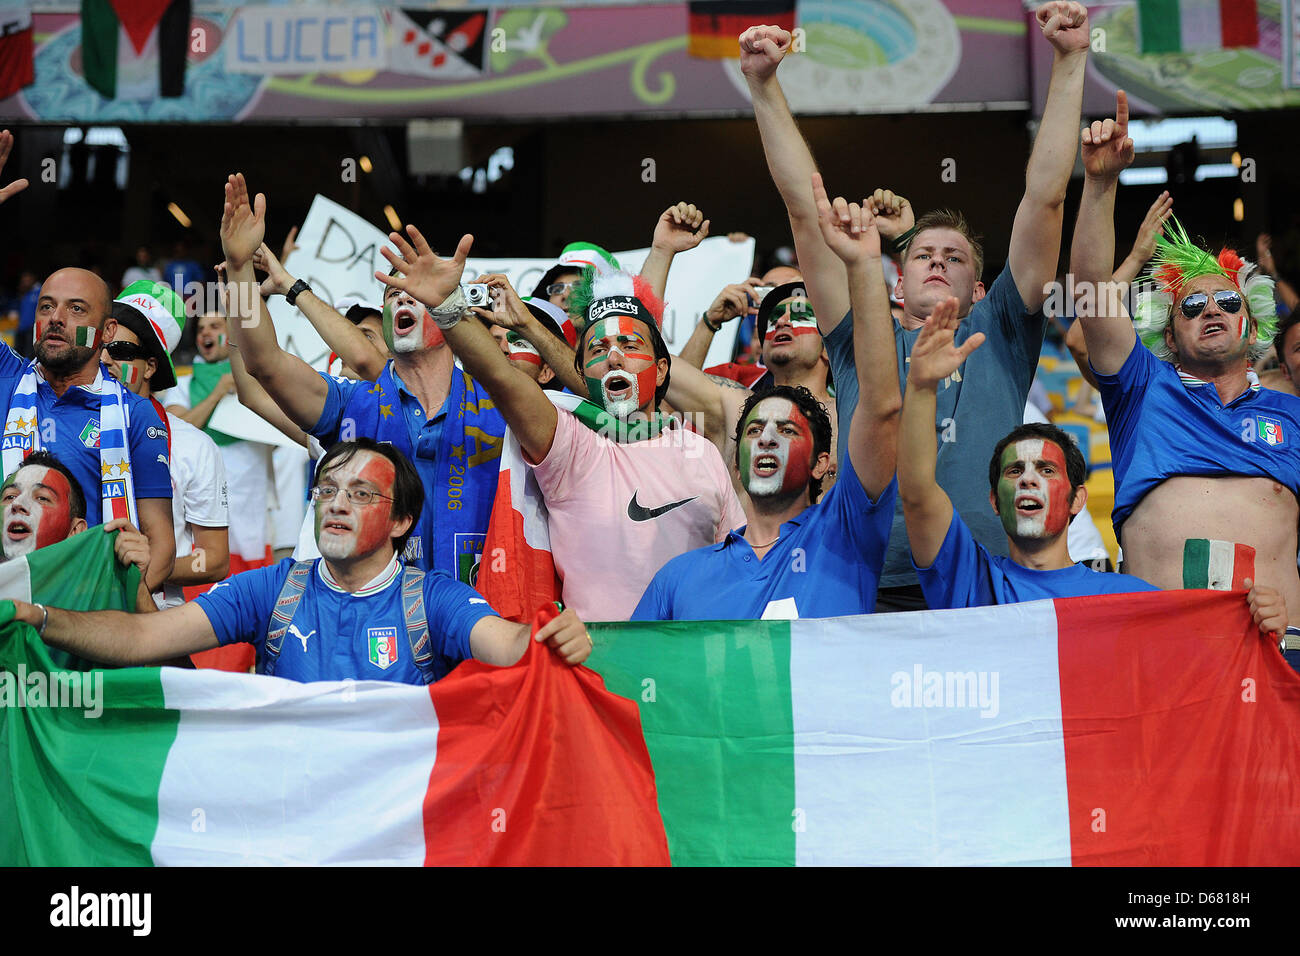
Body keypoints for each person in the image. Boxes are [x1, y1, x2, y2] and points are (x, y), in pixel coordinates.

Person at [739, 4, 1092, 611]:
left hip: (980, 584)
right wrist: (764, 84)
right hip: (859, 586)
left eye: (954, 258)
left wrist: (1070, 60)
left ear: (980, 292)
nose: (935, 260)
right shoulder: (860, 338)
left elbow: (1046, 198)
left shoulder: (1001, 327)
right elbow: (804, 209)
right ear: (896, 285)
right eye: (922, 254)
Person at [376, 224, 746, 621]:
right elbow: (502, 378)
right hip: (599, 670)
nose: (614, 357)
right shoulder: (573, 443)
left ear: (659, 372)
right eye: (599, 349)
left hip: (690, 665)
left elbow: (737, 568)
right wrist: (447, 306)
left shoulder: (702, 451)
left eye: (630, 345)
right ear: (583, 373)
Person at [4, 439, 593, 681]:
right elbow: (139, 639)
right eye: (328, 491)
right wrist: (42, 618)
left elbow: (506, 644)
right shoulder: (270, 591)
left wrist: (546, 641)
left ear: (400, 522)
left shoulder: (431, 598)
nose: (337, 504)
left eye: (361, 494)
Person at [1070, 91, 1300, 629]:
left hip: (1277, 654)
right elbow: (1090, 295)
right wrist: (1102, 185)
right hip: (1160, 656)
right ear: (1169, 338)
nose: (1212, 310)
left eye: (1227, 302)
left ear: (1253, 324)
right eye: (1192, 306)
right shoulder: (1140, 389)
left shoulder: (1292, 414)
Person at [632, 177, 899, 620]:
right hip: (735, 589)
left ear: (833, 346)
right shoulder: (734, 408)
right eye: (772, 315)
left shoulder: (854, 416)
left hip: (824, 588)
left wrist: (868, 263)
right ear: (758, 348)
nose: (783, 321)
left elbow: (883, 394)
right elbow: (642, 353)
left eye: (802, 313)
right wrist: (662, 254)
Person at [219, 174, 505, 584]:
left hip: (480, 623)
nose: (403, 296)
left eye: (419, 291)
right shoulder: (353, 403)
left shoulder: (503, 404)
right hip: (375, 630)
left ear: (452, 311)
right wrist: (239, 266)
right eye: (392, 293)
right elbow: (263, 362)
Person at [899, 297, 1160, 607]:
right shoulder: (971, 580)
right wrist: (920, 387)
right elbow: (916, 494)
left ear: (1077, 498)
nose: (1028, 479)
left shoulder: (1127, 597)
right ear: (994, 500)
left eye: (1046, 469)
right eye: (1014, 471)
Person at [0, 265, 174, 591]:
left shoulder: (135, 415)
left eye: (76, 308)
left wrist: (103, 612)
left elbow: (160, 546)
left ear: (108, 332)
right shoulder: (5, 377)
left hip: (81, 608)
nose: (57, 317)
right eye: (47, 306)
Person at [105, 283, 231, 609]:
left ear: (149, 367)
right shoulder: (69, 427)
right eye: (101, 348)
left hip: (155, 628)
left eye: (120, 350)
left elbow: (214, 561)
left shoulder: (195, 446)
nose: (105, 359)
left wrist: (147, 566)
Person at [162, 309, 275, 574]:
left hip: (249, 490)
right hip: (202, 487)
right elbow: (178, 429)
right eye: (201, 329)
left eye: (214, 326)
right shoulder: (182, 382)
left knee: (249, 563)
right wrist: (218, 392)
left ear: (232, 333)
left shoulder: (258, 376)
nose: (206, 333)